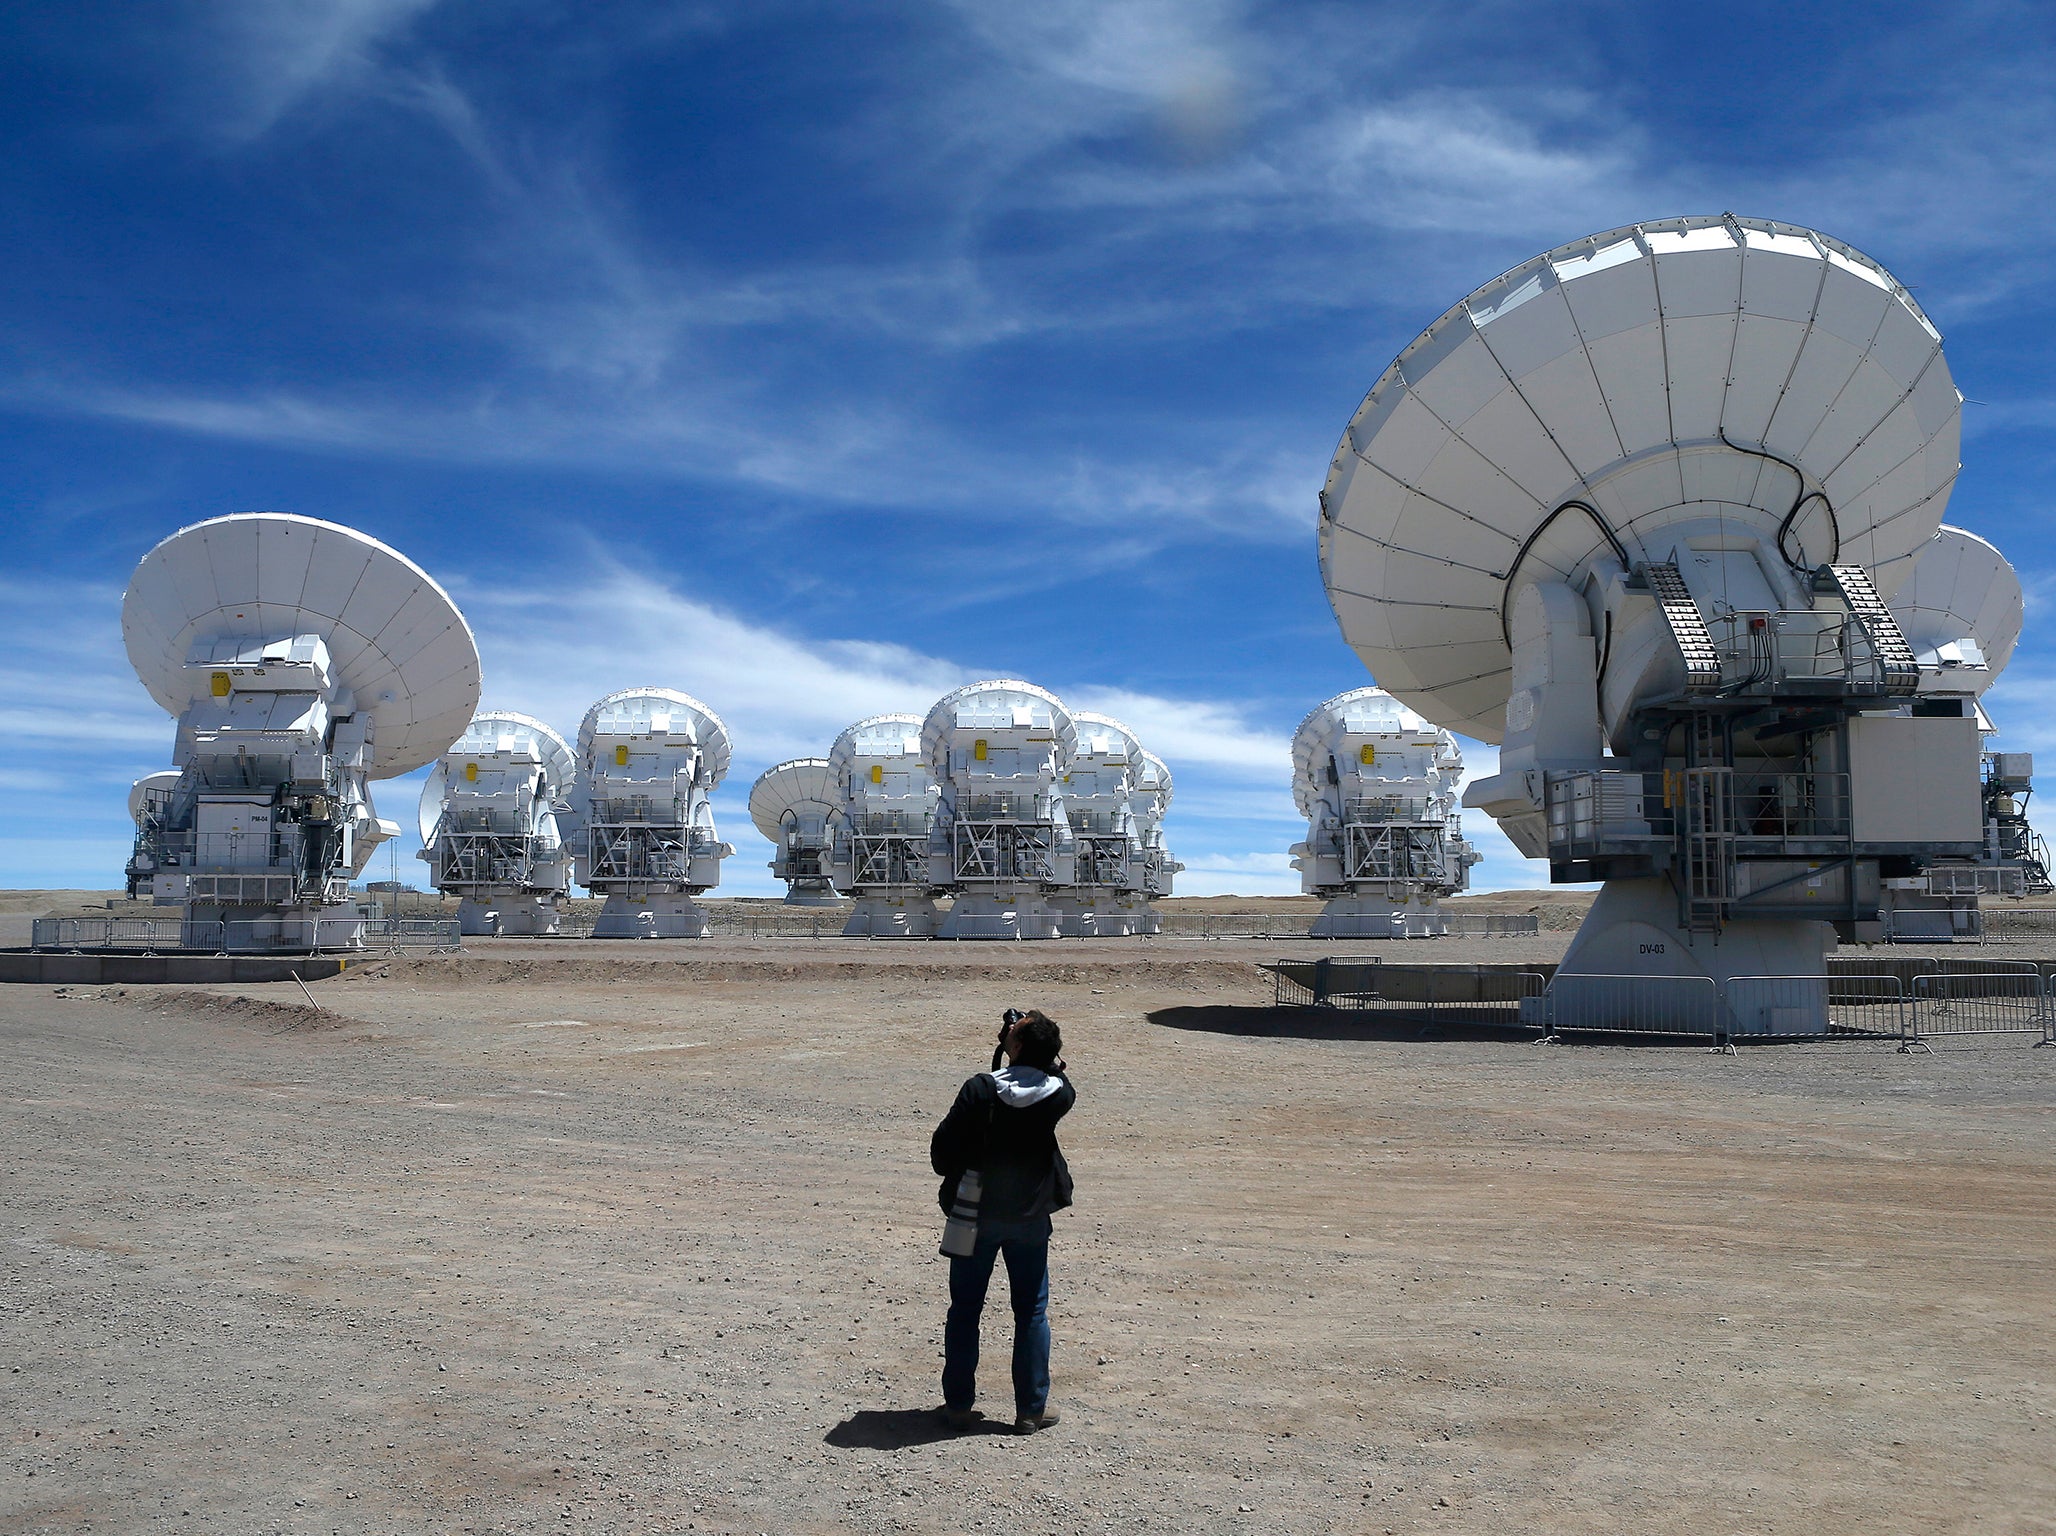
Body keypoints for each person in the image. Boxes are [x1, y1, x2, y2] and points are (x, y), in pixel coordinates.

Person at [930, 1008, 1075, 1434]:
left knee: (965, 1310)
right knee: (1031, 1311)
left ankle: (958, 1405)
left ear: (1014, 1047)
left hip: (974, 1212)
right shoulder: (1059, 1094)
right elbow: (1057, 1078)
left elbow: (942, 1151)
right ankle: (1031, 1408)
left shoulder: (979, 1090)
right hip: (1030, 1215)